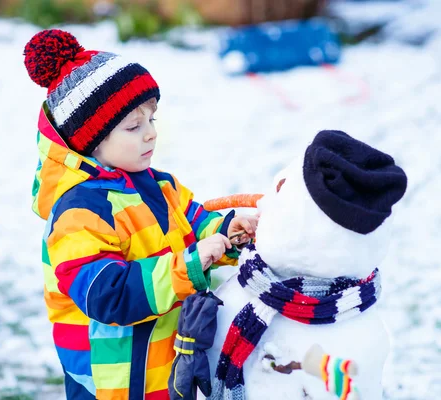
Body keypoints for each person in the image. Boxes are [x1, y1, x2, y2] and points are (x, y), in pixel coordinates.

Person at [24, 29, 259, 400]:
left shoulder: (159, 186)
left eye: (152, 119)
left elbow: (196, 224)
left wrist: (231, 230)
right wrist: (189, 267)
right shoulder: (78, 213)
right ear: (90, 140)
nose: (150, 134)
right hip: (113, 382)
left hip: (165, 366)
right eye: (134, 126)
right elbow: (108, 296)